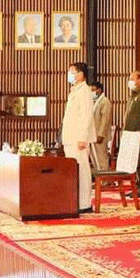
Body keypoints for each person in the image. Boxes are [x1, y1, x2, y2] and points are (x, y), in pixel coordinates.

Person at [62, 62, 96, 212]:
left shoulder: (85, 91)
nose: (70, 74)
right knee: (73, 170)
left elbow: (86, 116)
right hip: (71, 137)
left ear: (81, 74)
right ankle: (75, 201)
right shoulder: (75, 90)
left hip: (79, 139)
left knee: (82, 170)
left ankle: (84, 203)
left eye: (73, 72)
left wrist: (83, 137)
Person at [89, 81, 113, 171]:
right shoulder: (94, 102)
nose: (91, 92)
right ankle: (98, 175)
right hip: (93, 134)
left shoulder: (105, 101)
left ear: (99, 90)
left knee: (101, 158)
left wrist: (101, 134)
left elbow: (105, 120)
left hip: (100, 136)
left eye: (93, 90)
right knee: (95, 158)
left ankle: (104, 176)